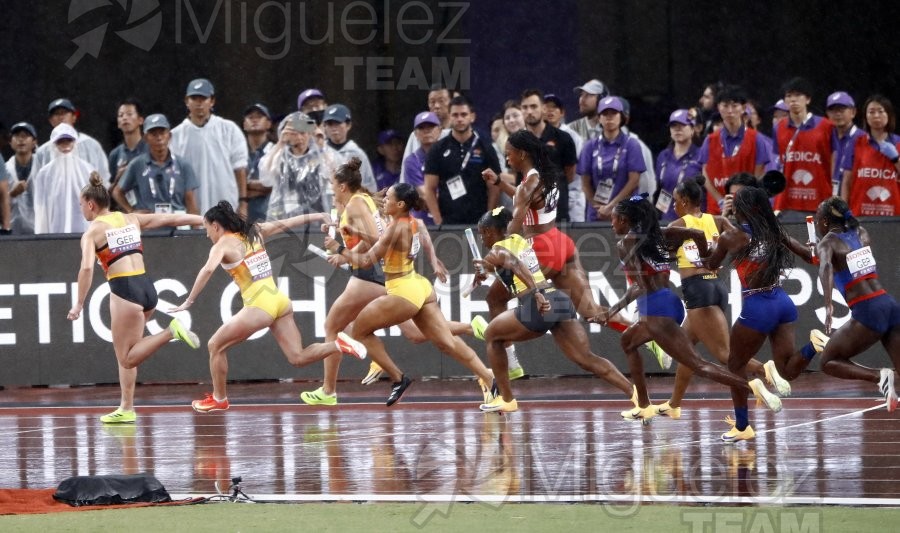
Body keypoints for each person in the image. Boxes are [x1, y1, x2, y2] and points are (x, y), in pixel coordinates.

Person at [481, 130, 668, 377]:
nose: (507, 159)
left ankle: (512, 362)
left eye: (509, 154)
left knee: (494, 298)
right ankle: (649, 333)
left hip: (540, 250)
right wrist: (499, 183)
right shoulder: (543, 177)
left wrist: (498, 250)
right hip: (561, 243)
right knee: (590, 310)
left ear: (522, 153)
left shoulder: (528, 185)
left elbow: (516, 221)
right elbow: (524, 197)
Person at [591, 195, 784, 429]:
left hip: (655, 311)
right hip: (672, 302)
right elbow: (697, 234)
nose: (612, 225)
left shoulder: (626, 244)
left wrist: (611, 311)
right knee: (628, 341)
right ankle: (644, 405)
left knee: (699, 364)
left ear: (624, 219)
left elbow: (639, 286)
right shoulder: (659, 233)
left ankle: (752, 386)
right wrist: (704, 255)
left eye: (614, 220)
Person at [300, 158, 473, 405]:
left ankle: (331, 390)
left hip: (368, 275)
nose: (330, 189)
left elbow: (376, 238)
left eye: (332, 184)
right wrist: (345, 248)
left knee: (333, 326)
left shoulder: (357, 205)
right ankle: (469, 327)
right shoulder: (362, 200)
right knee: (414, 332)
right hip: (373, 272)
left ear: (342, 187)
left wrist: (343, 249)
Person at [171, 201, 365, 412]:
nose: (207, 234)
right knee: (297, 357)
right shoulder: (255, 232)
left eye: (206, 228)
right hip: (280, 301)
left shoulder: (222, 245)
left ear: (216, 225)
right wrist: (317, 215)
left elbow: (207, 270)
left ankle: (219, 398)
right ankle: (338, 344)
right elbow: (287, 223)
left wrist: (189, 301)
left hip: (259, 306)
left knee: (215, 345)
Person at [324, 183, 496, 406]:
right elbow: (383, 241)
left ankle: (398, 378)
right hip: (420, 286)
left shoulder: (395, 229)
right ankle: (489, 377)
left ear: (400, 204)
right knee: (446, 343)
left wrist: (339, 249)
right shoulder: (410, 222)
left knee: (359, 332)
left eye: (388, 198)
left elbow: (367, 260)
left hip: (402, 291)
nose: (384, 200)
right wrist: (357, 233)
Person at [66, 174, 203, 423]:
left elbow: (86, 269)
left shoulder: (92, 232)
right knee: (129, 352)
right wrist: (204, 219)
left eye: (80, 204)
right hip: (147, 288)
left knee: (126, 358)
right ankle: (126, 408)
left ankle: (170, 332)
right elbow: (169, 218)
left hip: (124, 290)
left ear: (90, 204)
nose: (81, 209)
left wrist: (79, 303)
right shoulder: (130, 218)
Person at [474, 207, 635, 413]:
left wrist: (536, 293)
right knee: (586, 358)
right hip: (560, 300)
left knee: (492, 335)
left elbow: (513, 264)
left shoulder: (497, 249)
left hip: (538, 305)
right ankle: (637, 396)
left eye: (481, 234)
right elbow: (502, 263)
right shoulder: (520, 240)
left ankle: (506, 398)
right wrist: (483, 270)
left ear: (489, 231)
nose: (481, 240)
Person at [706, 187, 827, 442]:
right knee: (787, 372)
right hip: (782, 301)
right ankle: (813, 346)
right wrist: (815, 246)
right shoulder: (773, 230)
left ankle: (742, 427)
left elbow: (711, 265)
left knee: (735, 365)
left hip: (758, 305)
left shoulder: (731, 236)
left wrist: (706, 245)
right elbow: (810, 257)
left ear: (740, 209)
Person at [652, 176, 772, 420]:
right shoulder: (716, 220)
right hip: (716, 287)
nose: (674, 205)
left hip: (698, 291)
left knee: (724, 355)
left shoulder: (677, 223)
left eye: (675, 201)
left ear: (684, 201)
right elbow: (740, 238)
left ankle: (762, 373)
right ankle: (674, 403)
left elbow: (660, 251)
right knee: (685, 352)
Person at [813, 196, 899, 411]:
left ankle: (879, 376)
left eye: (816, 219)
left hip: (867, 309)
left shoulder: (828, 242)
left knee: (828, 361)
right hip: (889, 304)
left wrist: (828, 305)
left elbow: (826, 268)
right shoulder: (862, 233)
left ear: (824, 222)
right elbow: (840, 256)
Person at [170, 78, 249, 216]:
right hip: (190, 209)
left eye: (203, 98)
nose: (199, 103)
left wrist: (243, 202)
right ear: (186, 101)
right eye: (194, 98)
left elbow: (240, 168)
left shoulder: (229, 129)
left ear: (212, 101)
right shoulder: (175, 135)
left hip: (226, 205)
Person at [423, 95, 500, 225]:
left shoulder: (486, 147)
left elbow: (494, 187)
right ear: (449, 116)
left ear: (472, 116)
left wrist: (489, 217)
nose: (459, 119)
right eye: (455, 115)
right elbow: (429, 188)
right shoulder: (437, 149)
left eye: (464, 114)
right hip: (448, 221)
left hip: (479, 221)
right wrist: (438, 221)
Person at [699, 85, 769, 214]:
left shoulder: (757, 139)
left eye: (734, 105)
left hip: (748, 211)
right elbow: (705, 175)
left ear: (743, 108)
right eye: (725, 106)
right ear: (718, 108)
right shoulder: (709, 140)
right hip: (716, 211)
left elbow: (759, 174)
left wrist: (743, 200)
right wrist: (720, 201)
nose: (730, 111)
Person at [772, 77, 835, 220]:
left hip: (820, 200)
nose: (793, 100)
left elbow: (833, 162)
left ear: (808, 99)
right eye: (789, 96)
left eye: (798, 95)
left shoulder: (826, 126)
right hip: (787, 202)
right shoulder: (779, 128)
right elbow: (778, 163)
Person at [112, 114, 200, 217]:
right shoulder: (137, 164)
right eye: (153, 134)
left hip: (177, 224)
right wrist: (131, 211)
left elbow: (190, 202)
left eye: (162, 133)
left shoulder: (183, 165)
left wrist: (196, 231)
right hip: (149, 227)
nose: (159, 138)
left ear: (169, 136)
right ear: (145, 138)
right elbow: (117, 192)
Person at [260, 111, 343, 218]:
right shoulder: (280, 155)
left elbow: (337, 174)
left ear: (309, 134)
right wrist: (280, 143)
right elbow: (266, 178)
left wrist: (322, 145)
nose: (299, 138)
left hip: (319, 217)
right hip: (286, 219)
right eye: (294, 133)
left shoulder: (320, 154)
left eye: (303, 133)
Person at [579, 96, 645, 221]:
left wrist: (612, 206)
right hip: (597, 214)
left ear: (621, 117)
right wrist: (598, 207)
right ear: (599, 118)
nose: (609, 117)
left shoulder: (632, 144)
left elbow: (634, 181)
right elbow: (585, 183)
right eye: (605, 113)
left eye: (613, 113)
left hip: (625, 213)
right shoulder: (589, 146)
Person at [520, 89, 578, 223]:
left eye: (534, 106)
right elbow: (516, 174)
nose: (529, 111)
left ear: (543, 109)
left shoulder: (563, 138)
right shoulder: (516, 141)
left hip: (557, 210)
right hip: (528, 212)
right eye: (525, 107)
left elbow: (570, 173)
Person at [32, 124, 98, 234]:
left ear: (75, 142)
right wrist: (42, 236)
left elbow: (96, 204)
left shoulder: (88, 170)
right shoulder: (44, 174)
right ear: (54, 144)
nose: (65, 145)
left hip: (83, 229)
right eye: (61, 141)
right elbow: (41, 208)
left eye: (69, 140)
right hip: (55, 230)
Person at [841, 95, 900, 216]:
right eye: (871, 112)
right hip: (860, 212)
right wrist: (844, 212)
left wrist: (896, 159)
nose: (876, 115)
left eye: (880, 111)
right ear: (865, 117)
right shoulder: (855, 142)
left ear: (889, 114)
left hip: (893, 214)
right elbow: (846, 181)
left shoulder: (899, 143)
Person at [34, 98, 110, 184]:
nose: (61, 117)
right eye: (56, 114)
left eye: (64, 113)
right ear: (51, 121)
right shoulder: (43, 152)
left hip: (88, 196)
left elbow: (104, 178)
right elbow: (37, 183)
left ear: (74, 117)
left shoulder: (91, 144)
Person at [653, 110, 702, 223]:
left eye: (682, 125)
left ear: (692, 129)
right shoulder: (663, 156)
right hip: (666, 219)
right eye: (673, 126)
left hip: (693, 220)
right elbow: (661, 189)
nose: (677, 129)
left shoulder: (700, 155)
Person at [322, 103, 378, 192]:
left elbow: (369, 188)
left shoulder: (358, 154)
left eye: (338, 123)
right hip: (325, 204)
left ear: (348, 125)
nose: (334, 128)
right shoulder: (320, 152)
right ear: (324, 126)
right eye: (330, 124)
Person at [402, 112, 441, 225]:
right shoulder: (411, 161)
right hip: (422, 221)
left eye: (431, 126)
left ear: (439, 130)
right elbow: (425, 195)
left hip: (450, 219)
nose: (426, 130)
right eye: (421, 127)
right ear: (415, 133)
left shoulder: (449, 155)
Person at [107, 98, 148, 202]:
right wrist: (118, 179)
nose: (125, 118)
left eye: (129, 114)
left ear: (141, 120)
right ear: (118, 123)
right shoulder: (115, 155)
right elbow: (108, 192)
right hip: (124, 211)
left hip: (150, 209)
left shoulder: (151, 149)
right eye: (121, 115)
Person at [825, 91, 864, 199]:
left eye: (842, 110)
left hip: (853, 196)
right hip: (829, 197)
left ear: (853, 112)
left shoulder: (862, 139)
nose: (837, 114)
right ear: (827, 114)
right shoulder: (825, 137)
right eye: (833, 110)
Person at [243, 103, 274, 224]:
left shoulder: (276, 151)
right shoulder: (236, 152)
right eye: (250, 117)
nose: (255, 120)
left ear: (269, 123)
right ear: (244, 124)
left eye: (259, 116)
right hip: (241, 218)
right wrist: (261, 188)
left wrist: (244, 186)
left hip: (267, 217)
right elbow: (231, 186)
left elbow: (273, 185)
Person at [4, 122, 38, 234]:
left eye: (25, 136)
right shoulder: (4, 170)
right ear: (10, 142)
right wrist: (12, 194)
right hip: (13, 231)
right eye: (17, 136)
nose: (21, 140)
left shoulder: (43, 169)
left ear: (34, 142)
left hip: (40, 229)